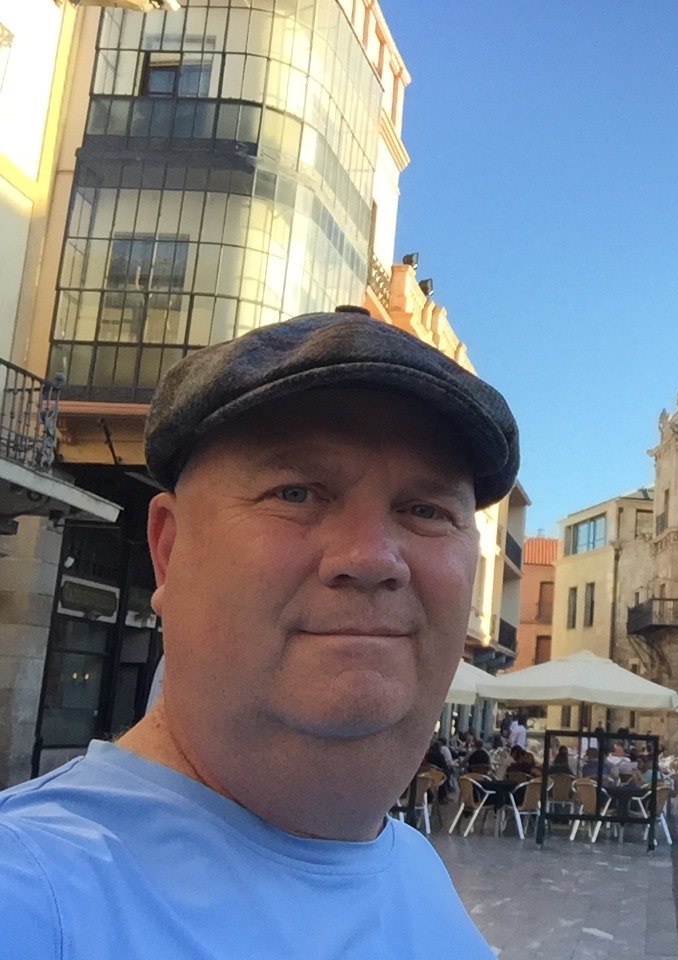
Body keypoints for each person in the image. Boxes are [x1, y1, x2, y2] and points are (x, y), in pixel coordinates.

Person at [0, 309, 519, 957]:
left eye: (425, 510)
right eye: (296, 492)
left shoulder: (412, 868)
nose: (371, 558)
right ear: (169, 549)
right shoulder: (34, 894)